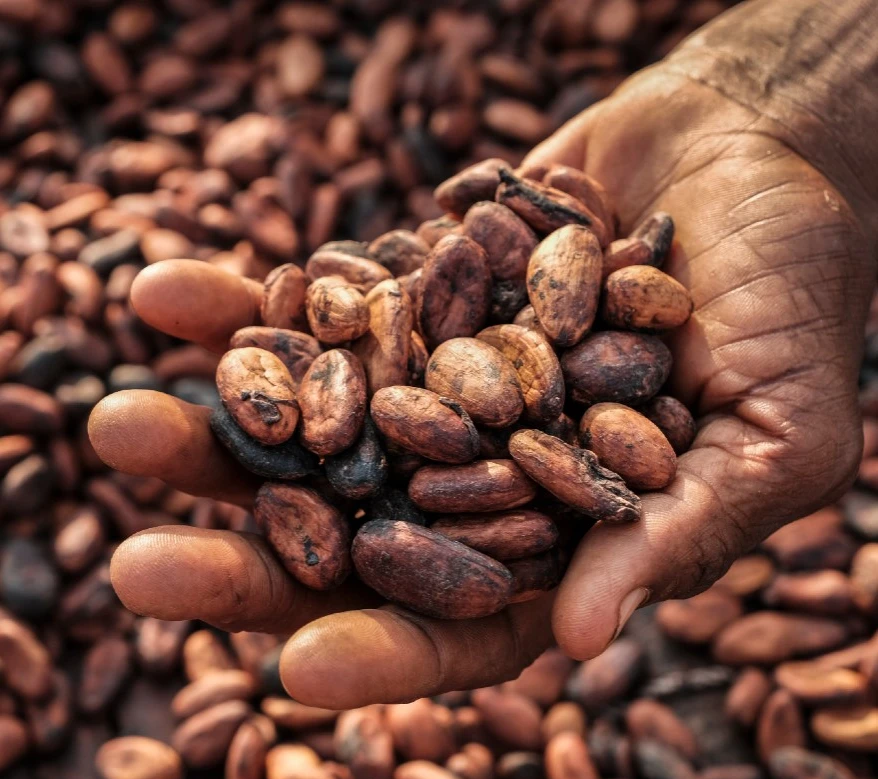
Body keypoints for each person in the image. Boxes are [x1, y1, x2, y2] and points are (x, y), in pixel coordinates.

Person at [88, 0, 878, 709]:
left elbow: (477, 389)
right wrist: (781, 118)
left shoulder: (516, 372)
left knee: (441, 435)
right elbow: (403, 390)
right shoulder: (398, 370)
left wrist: (781, 128)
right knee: (383, 449)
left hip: (483, 423)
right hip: (442, 428)